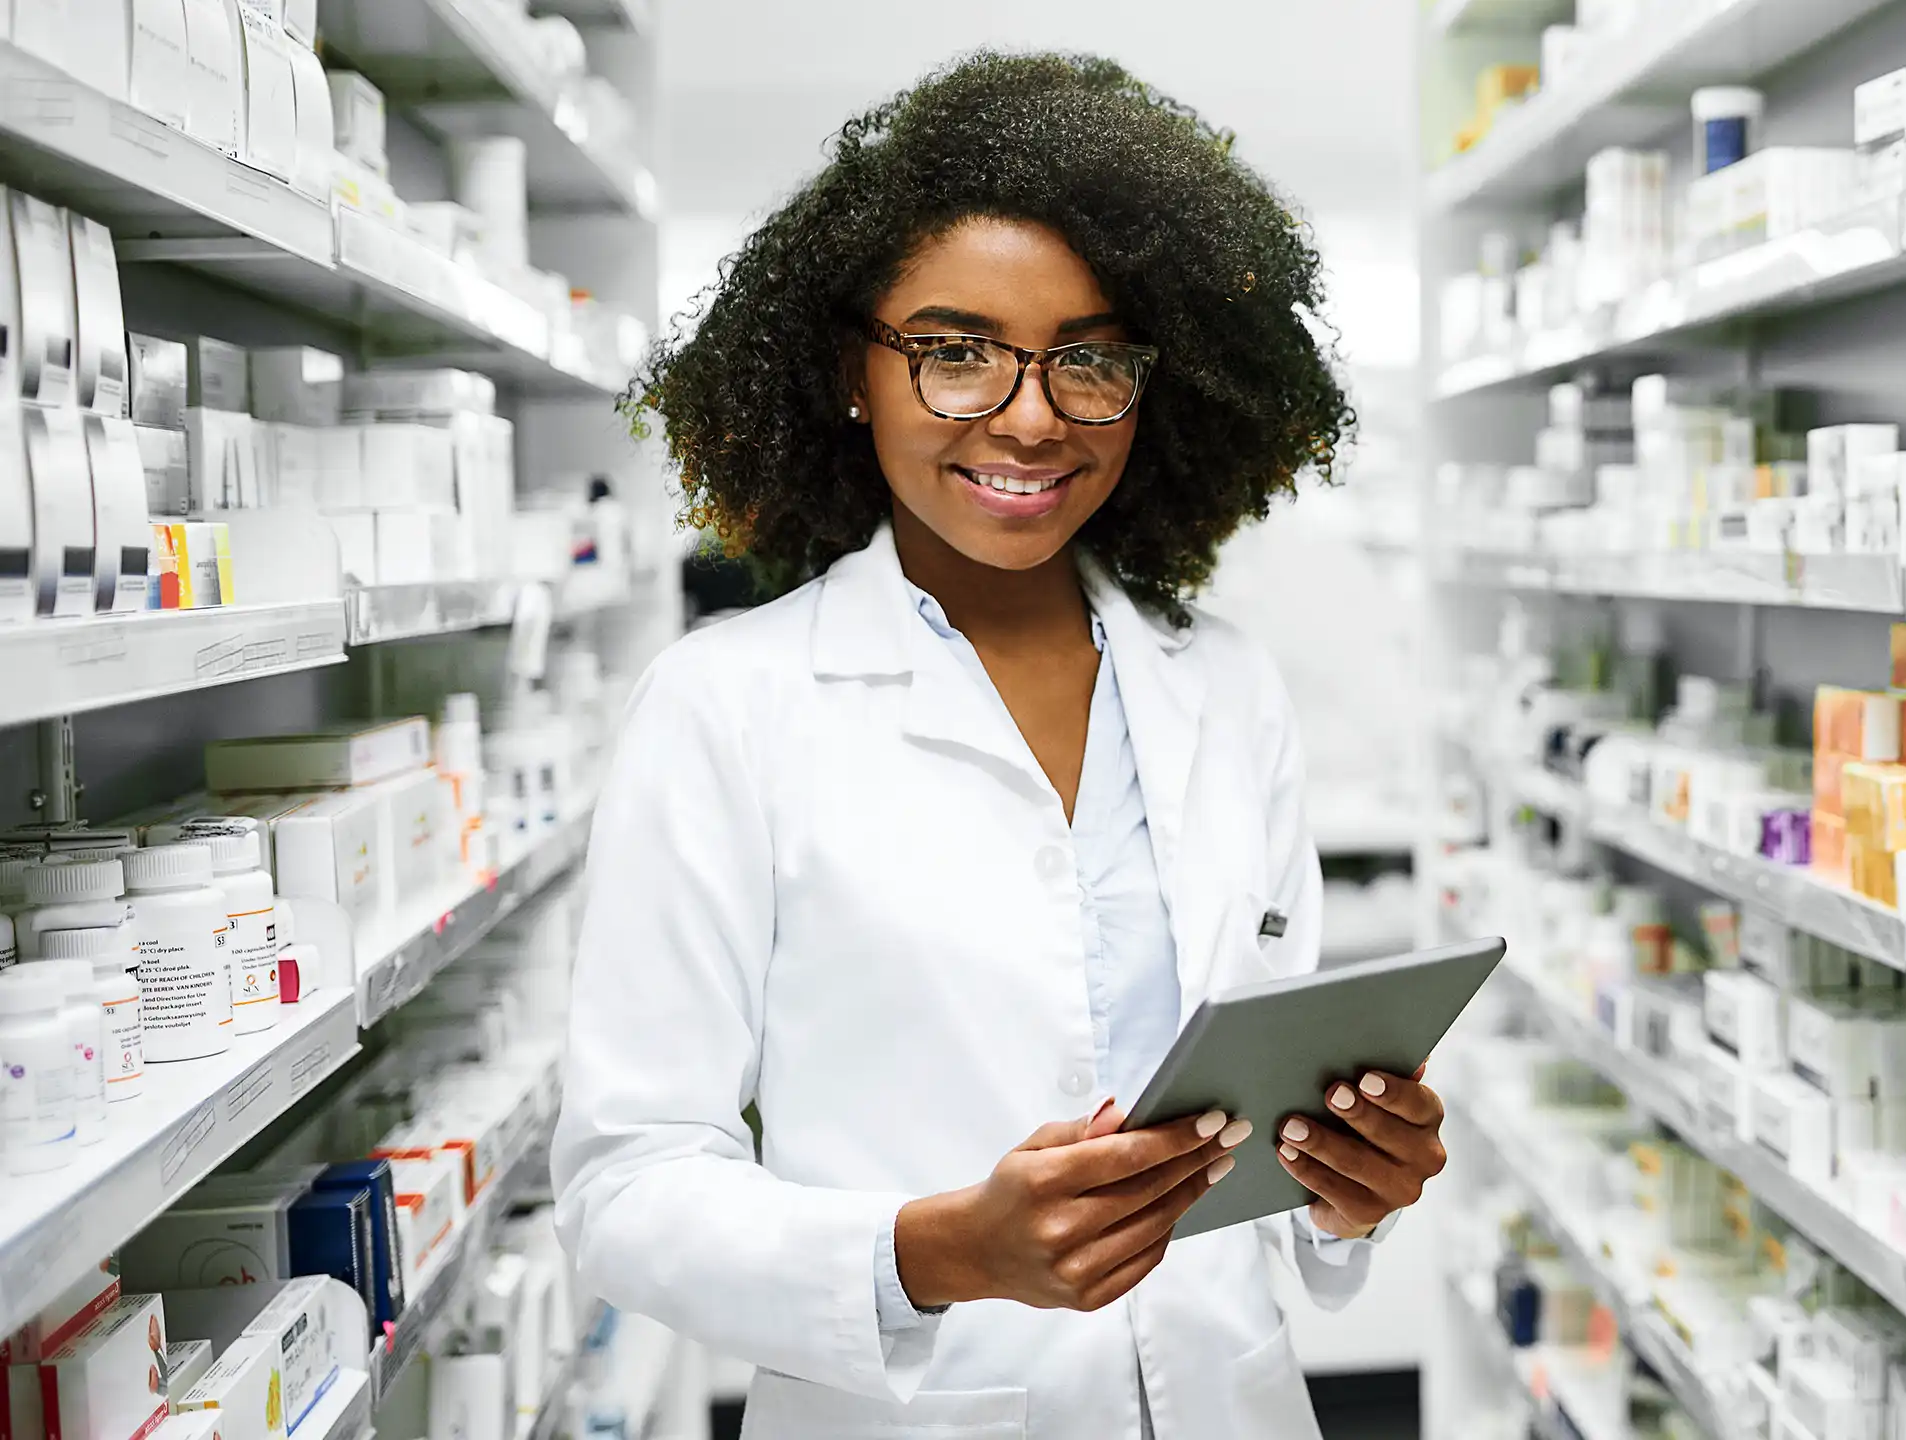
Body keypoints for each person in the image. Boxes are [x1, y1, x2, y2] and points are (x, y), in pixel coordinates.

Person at [551, 51, 1450, 1439]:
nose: (1031, 416)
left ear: (1158, 388)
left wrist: (1348, 1185)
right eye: (956, 350)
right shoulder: (726, 705)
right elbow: (625, 1188)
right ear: (853, 371)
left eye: (1088, 358)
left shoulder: (1225, 688)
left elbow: (1261, 1130)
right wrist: (941, 1253)